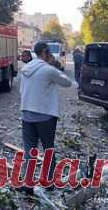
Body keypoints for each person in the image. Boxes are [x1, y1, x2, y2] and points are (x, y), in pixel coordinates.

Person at [19, 42, 72, 194]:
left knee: (30, 150)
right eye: (48, 52)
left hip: (27, 114)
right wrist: (54, 65)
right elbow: (67, 82)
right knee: (48, 148)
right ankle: (48, 183)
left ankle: (28, 185)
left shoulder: (25, 68)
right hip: (45, 116)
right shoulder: (48, 70)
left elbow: (22, 91)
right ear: (45, 52)